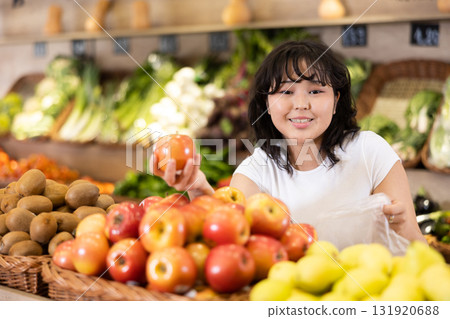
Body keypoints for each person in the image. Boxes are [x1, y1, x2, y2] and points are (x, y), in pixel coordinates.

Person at [150, 40, 426, 244]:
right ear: (267, 104)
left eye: (315, 90)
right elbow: (227, 239)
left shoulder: (370, 151)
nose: (301, 104)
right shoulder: (255, 170)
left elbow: (420, 251)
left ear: (336, 100)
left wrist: (404, 229)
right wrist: (197, 187)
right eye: (286, 91)